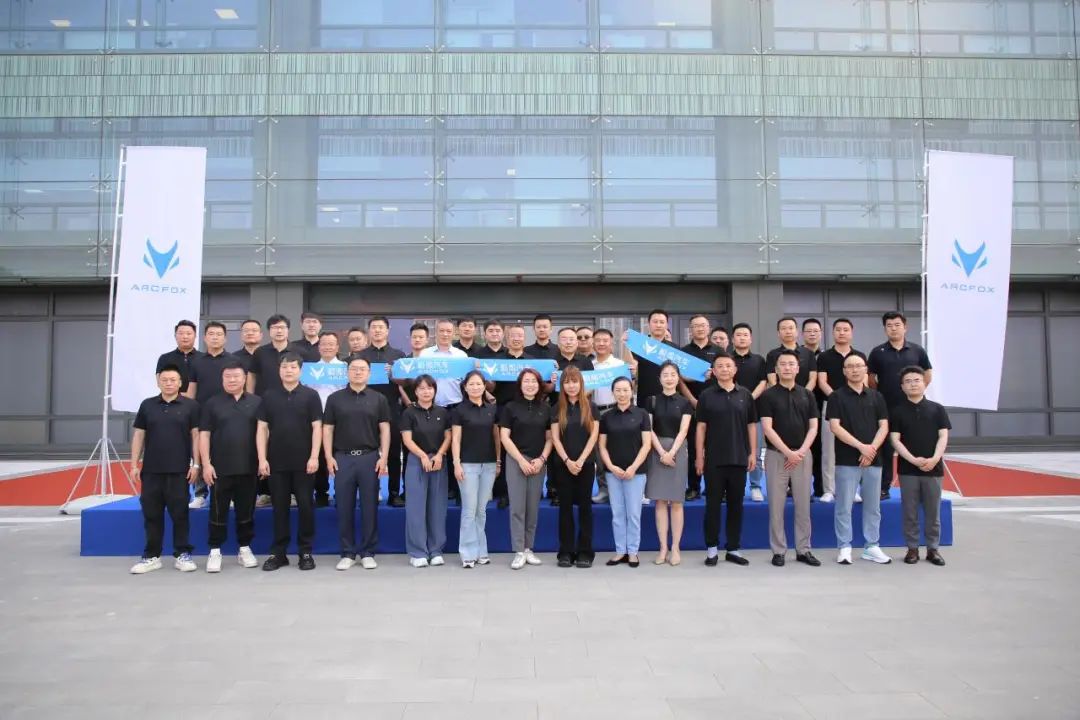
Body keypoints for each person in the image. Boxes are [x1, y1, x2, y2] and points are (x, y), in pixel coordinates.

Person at [129, 365, 199, 574]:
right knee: (152, 514)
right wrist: (134, 464)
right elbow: (139, 435)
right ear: (158, 382)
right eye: (165, 380)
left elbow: (196, 435)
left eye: (173, 380)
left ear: (180, 383)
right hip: (152, 470)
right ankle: (152, 556)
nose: (169, 383)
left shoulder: (190, 406)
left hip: (179, 470)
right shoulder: (147, 405)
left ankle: (182, 554)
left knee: (180, 514)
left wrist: (196, 464)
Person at [255, 353, 322, 572]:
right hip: (276, 461)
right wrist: (262, 458)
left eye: (293, 367)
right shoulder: (269, 395)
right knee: (279, 508)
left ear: (300, 371)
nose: (289, 370)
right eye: (285, 367)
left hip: (304, 462)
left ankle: (305, 551)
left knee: (305, 506)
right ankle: (279, 553)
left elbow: (317, 427)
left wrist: (314, 456)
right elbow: (262, 428)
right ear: (279, 370)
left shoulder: (311, 395)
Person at [323, 356, 391, 571]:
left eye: (362, 369)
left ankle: (368, 552)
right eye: (354, 369)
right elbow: (328, 429)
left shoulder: (378, 398)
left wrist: (384, 456)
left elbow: (385, 429)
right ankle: (348, 552)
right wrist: (328, 456)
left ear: (369, 373)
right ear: (347, 372)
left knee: (370, 506)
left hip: (369, 457)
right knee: (344, 506)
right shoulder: (335, 399)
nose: (358, 372)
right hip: (342, 457)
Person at [827, 354, 892, 565]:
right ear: (844, 371)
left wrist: (871, 449)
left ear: (865, 369)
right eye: (850, 366)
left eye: (858, 366)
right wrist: (861, 447)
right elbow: (835, 427)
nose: (855, 370)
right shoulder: (836, 397)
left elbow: (884, 426)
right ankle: (844, 546)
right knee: (844, 506)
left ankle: (871, 546)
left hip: (874, 459)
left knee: (873, 506)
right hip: (846, 459)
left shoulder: (877, 396)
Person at [758, 350, 821, 568]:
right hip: (777, 456)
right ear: (776, 369)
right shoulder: (768, 396)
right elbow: (767, 428)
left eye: (791, 364)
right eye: (782, 364)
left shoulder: (807, 395)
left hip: (802, 455)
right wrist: (788, 452)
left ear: (797, 368)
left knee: (803, 506)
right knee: (776, 507)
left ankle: (804, 549)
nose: (787, 367)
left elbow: (813, 427)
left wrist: (801, 451)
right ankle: (778, 550)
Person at [199, 360, 262, 573]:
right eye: (227, 376)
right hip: (219, 468)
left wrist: (262, 460)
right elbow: (204, 435)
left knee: (246, 511)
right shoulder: (212, 403)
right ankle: (215, 551)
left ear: (244, 378)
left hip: (248, 467)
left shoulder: (256, 402)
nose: (232, 380)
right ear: (222, 379)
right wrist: (206, 464)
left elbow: (263, 433)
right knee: (218, 511)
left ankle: (244, 548)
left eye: (236, 376)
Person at [695, 353, 758, 567]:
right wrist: (699, 456)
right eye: (720, 366)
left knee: (736, 505)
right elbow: (701, 427)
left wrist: (752, 452)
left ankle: (733, 548)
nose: (724, 369)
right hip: (714, 459)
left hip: (739, 457)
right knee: (712, 505)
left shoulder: (745, 395)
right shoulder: (706, 395)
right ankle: (712, 549)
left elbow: (751, 425)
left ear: (735, 370)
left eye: (728, 366)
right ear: (713, 371)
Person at [868, 311, 933, 501]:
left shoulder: (917, 351)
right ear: (885, 329)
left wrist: (916, 392)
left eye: (897, 325)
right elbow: (871, 379)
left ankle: (918, 487)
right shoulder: (877, 352)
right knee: (886, 449)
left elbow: (927, 374)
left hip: (912, 407)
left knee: (915, 444)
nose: (893, 329)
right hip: (886, 407)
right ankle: (884, 487)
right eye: (889, 325)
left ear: (905, 327)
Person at [890, 366, 951, 566]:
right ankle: (912, 549)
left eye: (917, 380)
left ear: (925, 383)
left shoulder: (937, 409)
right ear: (902, 386)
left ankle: (933, 549)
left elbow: (943, 436)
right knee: (910, 512)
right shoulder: (897, 411)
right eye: (908, 381)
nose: (913, 384)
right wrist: (913, 460)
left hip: (934, 469)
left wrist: (934, 459)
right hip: (908, 469)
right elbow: (895, 440)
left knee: (933, 511)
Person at [186, 321, 246, 509]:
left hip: (228, 413)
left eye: (219, 334)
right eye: (211, 334)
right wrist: (189, 412)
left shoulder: (233, 360)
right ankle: (200, 493)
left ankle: (232, 494)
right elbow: (192, 389)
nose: (215, 337)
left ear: (225, 338)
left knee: (228, 452)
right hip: (202, 413)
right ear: (204, 338)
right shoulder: (196, 361)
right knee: (200, 453)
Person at [499, 368, 553, 570]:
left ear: (539, 385)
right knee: (517, 507)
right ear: (520, 385)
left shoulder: (546, 408)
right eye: (526, 381)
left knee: (532, 507)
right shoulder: (510, 407)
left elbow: (550, 438)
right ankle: (519, 550)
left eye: (534, 381)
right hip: (516, 460)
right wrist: (521, 460)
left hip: (538, 462)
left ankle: (529, 548)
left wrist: (542, 459)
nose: (530, 385)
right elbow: (504, 437)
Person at [549, 366, 599, 568]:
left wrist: (580, 460)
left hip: (585, 464)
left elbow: (594, 436)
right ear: (562, 385)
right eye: (567, 382)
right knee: (565, 508)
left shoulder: (591, 407)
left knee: (585, 507)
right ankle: (566, 552)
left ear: (581, 383)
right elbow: (555, 438)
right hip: (563, 465)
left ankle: (585, 551)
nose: (571, 386)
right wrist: (568, 461)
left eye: (575, 381)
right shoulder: (556, 408)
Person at [599, 376, 652, 568]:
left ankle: (633, 552)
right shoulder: (606, 417)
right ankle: (620, 551)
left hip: (635, 472)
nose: (622, 394)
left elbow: (646, 445)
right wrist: (611, 467)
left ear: (632, 391)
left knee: (634, 514)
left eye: (625, 390)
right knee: (618, 513)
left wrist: (633, 467)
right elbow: (602, 446)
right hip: (613, 473)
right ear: (613, 392)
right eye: (618, 390)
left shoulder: (641, 414)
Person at [400, 374, 452, 567]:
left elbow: (448, 437)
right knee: (416, 508)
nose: (426, 392)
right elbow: (407, 439)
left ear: (435, 390)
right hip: (417, 461)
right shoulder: (409, 413)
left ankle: (436, 550)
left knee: (437, 507)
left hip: (438, 461)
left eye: (429, 388)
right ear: (415, 391)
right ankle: (418, 552)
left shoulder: (443, 412)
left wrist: (439, 455)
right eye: (421, 388)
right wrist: (422, 456)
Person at [452, 370, 501, 568]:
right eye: (471, 384)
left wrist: (498, 461)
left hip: (488, 465)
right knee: (469, 511)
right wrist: (456, 463)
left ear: (484, 386)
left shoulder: (492, 409)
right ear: (465, 387)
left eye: (479, 384)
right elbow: (456, 439)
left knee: (481, 511)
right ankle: (467, 553)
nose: (475, 387)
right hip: (468, 465)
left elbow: (496, 437)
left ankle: (482, 551)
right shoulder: (459, 410)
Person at [815, 319, 866, 503]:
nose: (842, 332)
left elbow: (864, 381)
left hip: (856, 406)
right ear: (833, 332)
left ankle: (853, 489)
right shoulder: (824, 357)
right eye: (838, 329)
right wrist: (838, 398)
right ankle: (829, 489)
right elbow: (822, 382)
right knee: (829, 450)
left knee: (854, 448)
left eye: (845, 329)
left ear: (851, 332)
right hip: (831, 404)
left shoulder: (859, 355)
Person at [646, 361, 692, 566]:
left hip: (678, 450)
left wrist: (671, 452)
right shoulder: (651, 400)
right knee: (660, 501)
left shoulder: (685, 402)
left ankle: (675, 547)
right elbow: (649, 429)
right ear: (660, 378)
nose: (669, 378)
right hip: (656, 450)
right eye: (665, 374)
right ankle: (663, 547)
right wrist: (661, 452)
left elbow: (684, 430)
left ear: (678, 378)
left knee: (676, 502)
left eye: (673, 374)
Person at [358, 317, 407, 507]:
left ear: (388, 330)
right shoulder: (361, 355)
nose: (377, 330)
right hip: (364, 409)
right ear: (369, 330)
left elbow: (405, 383)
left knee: (394, 452)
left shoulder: (398, 355)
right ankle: (371, 491)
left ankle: (394, 492)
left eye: (381, 327)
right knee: (368, 452)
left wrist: (394, 375)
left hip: (391, 408)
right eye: (374, 327)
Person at [546, 327, 593, 505]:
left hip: (581, 411)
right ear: (558, 342)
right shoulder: (552, 363)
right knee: (556, 450)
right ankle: (555, 490)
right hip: (557, 411)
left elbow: (592, 385)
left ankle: (579, 490)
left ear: (577, 342)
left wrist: (576, 398)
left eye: (572, 339)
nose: (568, 342)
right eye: (564, 339)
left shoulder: (585, 362)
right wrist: (551, 384)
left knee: (578, 447)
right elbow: (545, 388)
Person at [490, 323, 532, 509]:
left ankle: (527, 491)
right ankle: (505, 493)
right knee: (504, 452)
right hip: (503, 410)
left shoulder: (532, 362)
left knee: (524, 449)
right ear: (507, 338)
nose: (516, 339)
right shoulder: (497, 361)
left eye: (520, 336)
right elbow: (491, 387)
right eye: (513, 335)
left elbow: (541, 385)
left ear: (524, 338)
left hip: (527, 411)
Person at [679, 314, 720, 501]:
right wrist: (693, 400)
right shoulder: (683, 352)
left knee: (714, 448)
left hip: (715, 407)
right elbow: (679, 380)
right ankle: (693, 487)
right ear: (691, 330)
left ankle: (713, 487)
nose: (700, 328)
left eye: (703, 325)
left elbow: (726, 375)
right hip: (691, 406)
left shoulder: (719, 351)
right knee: (693, 448)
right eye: (696, 326)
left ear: (708, 328)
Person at [590, 328, 628, 504]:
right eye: (598, 340)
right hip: (594, 412)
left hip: (614, 410)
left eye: (605, 340)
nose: (601, 344)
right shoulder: (589, 365)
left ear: (611, 343)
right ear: (593, 343)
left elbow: (628, 388)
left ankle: (622, 489)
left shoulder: (619, 365)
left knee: (617, 449)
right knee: (599, 452)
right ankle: (604, 489)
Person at [730, 323, 767, 502]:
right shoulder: (727, 359)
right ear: (733, 339)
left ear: (751, 338)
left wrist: (748, 398)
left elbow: (763, 382)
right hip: (730, 412)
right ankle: (732, 487)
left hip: (754, 412)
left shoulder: (759, 360)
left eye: (745, 335)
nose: (742, 338)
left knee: (755, 451)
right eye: (738, 335)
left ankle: (755, 486)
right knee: (731, 451)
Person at [625, 309, 675, 410]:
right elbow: (631, 366)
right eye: (655, 322)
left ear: (666, 325)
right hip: (645, 399)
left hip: (670, 400)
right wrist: (626, 344)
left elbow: (682, 375)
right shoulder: (640, 345)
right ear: (649, 324)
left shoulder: (674, 348)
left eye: (662, 322)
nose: (658, 325)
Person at [800, 318, 825, 500]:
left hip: (822, 407)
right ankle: (797, 487)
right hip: (800, 408)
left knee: (820, 449)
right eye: (808, 331)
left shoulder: (826, 356)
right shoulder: (796, 354)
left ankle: (821, 487)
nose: (812, 334)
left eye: (815, 331)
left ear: (821, 333)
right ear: (802, 334)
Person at [765, 317, 817, 391]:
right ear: (778, 333)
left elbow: (812, 379)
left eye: (791, 328)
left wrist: (804, 395)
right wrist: (781, 395)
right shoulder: (772, 355)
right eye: (783, 328)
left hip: (804, 396)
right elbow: (772, 380)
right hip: (780, 396)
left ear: (797, 331)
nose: (788, 331)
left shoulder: (809, 353)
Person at [156, 319, 203, 396]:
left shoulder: (204, 358)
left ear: (195, 336)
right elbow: (160, 382)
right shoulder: (165, 358)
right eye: (181, 333)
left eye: (189, 333)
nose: (185, 336)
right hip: (172, 400)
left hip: (199, 401)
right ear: (175, 336)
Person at [249, 314, 291, 396]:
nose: (279, 331)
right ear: (269, 330)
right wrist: (250, 398)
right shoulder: (260, 352)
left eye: (282, 327)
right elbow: (252, 375)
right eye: (275, 327)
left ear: (288, 330)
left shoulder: (299, 352)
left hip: (292, 398)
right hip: (264, 398)